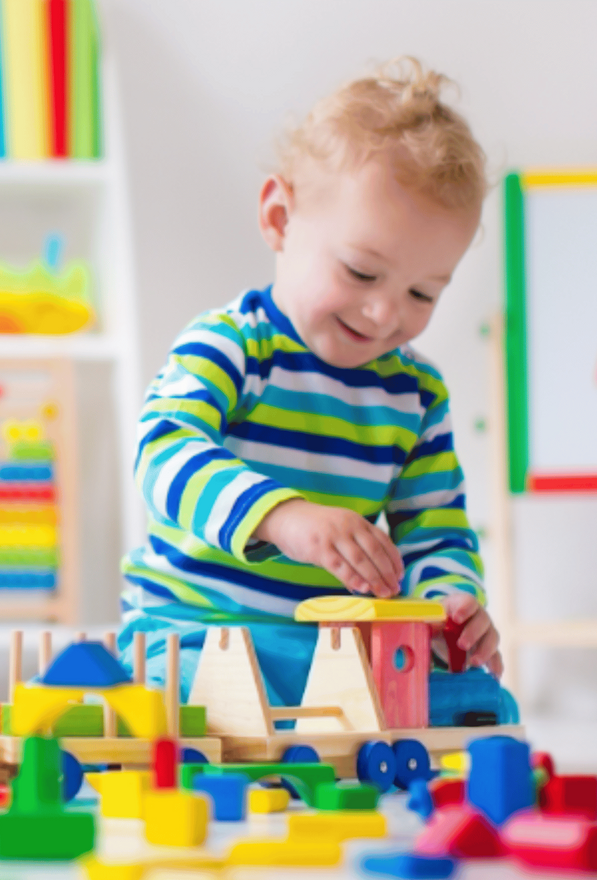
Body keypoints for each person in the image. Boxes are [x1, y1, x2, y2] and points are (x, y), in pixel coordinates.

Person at [120, 57, 500, 707]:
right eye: (361, 272)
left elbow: (435, 531)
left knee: (474, 702)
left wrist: (449, 605)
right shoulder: (233, 346)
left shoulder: (416, 395)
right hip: (194, 631)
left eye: (422, 293)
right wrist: (281, 517)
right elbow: (162, 451)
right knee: (184, 707)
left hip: (336, 651)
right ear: (279, 218)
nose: (384, 313)